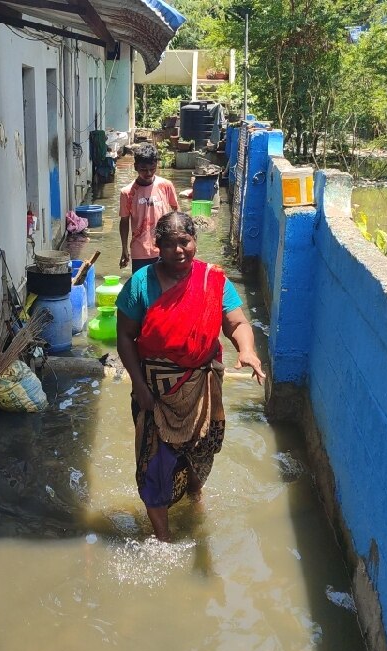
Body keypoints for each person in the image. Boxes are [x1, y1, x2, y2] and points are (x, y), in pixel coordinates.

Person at [115, 212, 266, 541]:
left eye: (184, 242)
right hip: (155, 391)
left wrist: (247, 350)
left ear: (194, 241)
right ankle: (163, 538)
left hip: (201, 387)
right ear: (157, 246)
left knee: (199, 451)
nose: (178, 250)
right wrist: (140, 387)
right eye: (169, 244)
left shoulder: (213, 281)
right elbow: (124, 337)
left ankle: (195, 496)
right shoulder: (140, 284)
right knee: (153, 463)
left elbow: (237, 324)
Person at [118, 143, 180, 273]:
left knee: (166, 288)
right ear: (135, 167)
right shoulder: (127, 193)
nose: (149, 173)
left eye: (152, 169)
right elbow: (124, 221)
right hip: (139, 250)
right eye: (143, 169)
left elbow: (177, 213)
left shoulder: (166, 186)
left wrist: (179, 242)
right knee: (141, 288)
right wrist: (124, 248)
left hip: (164, 248)